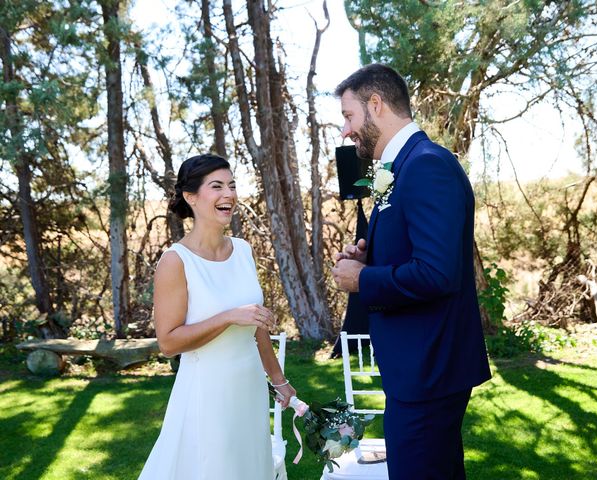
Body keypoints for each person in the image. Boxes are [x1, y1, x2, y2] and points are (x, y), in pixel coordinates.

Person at [331, 64, 491, 479]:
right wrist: (370, 259)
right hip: (416, 369)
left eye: (349, 116)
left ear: (376, 104)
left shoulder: (426, 166)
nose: (346, 131)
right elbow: (417, 253)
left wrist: (361, 280)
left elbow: (437, 273)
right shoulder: (399, 169)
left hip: (429, 368)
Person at [138, 153, 296, 480]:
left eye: (232, 185)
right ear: (191, 197)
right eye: (217, 186)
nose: (229, 194)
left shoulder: (243, 250)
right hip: (207, 393)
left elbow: (256, 326)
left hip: (249, 388)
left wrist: (279, 380)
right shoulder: (175, 261)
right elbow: (168, 343)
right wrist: (227, 317)